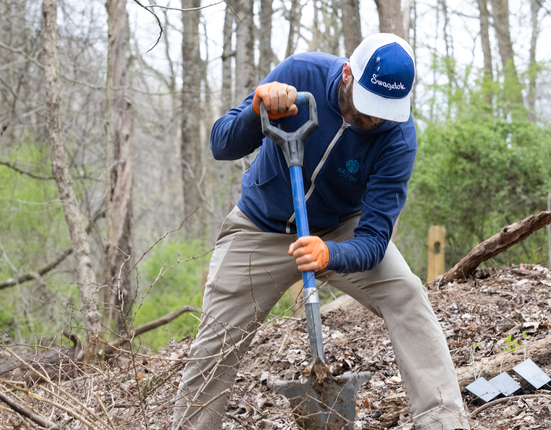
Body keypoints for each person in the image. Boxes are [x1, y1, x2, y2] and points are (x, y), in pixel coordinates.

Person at [173, 33, 471, 430]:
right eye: (367, 107)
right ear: (347, 74)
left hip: (339, 230)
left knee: (406, 292)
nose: (373, 120)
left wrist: (330, 253)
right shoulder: (301, 74)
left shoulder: (397, 136)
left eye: (384, 111)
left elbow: (375, 238)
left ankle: (443, 420)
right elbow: (221, 143)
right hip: (261, 226)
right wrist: (257, 110)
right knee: (216, 341)